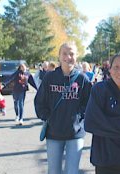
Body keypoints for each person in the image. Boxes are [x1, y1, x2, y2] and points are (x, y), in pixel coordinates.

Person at [34, 42, 92, 174]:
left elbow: (89, 104)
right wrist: (48, 117)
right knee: (54, 171)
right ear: (59, 56)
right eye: (64, 53)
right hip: (53, 133)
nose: (68, 57)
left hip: (75, 133)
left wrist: (79, 119)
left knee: (72, 171)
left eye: (71, 53)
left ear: (76, 56)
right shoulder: (50, 77)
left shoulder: (82, 79)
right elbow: (40, 101)